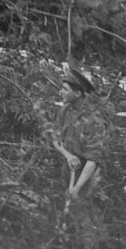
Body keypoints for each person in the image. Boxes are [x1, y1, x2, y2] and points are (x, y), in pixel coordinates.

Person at [51, 68, 110, 201]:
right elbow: (55, 137)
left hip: (89, 175)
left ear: (77, 93)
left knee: (83, 209)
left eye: (65, 89)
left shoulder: (94, 120)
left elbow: (93, 159)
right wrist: (68, 156)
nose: (61, 92)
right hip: (69, 167)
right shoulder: (65, 110)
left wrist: (77, 188)